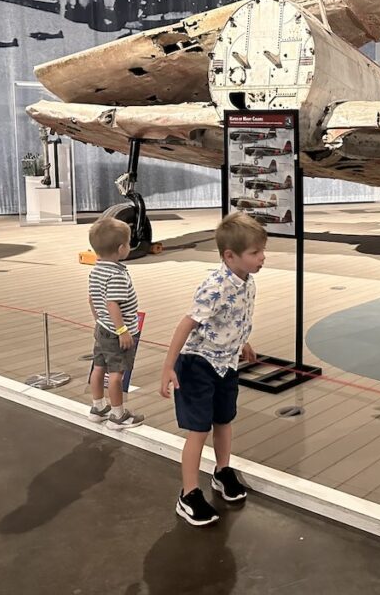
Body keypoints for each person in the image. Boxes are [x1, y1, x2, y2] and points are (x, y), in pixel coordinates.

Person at [160, 212, 264, 526]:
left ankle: (221, 471)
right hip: (198, 364)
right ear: (229, 256)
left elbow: (234, 319)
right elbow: (186, 324)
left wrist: (243, 342)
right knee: (198, 430)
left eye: (262, 251)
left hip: (226, 362)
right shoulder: (214, 286)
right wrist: (168, 366)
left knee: (224, 420)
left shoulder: (247, 282)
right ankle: (188, 493)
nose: (262, 258)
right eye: (255, 253)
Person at [87, 218, 145, 430]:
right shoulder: (117, 274)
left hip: (102, 328)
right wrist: (122, 331)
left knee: (99, 367)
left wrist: (99, 321)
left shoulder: (96, 270)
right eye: (129, 243)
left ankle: (98, 407)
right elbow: (113, 304)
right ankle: (118, 414)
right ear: (121, 249)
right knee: (116, 374)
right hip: (116, 332)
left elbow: (92, 299)